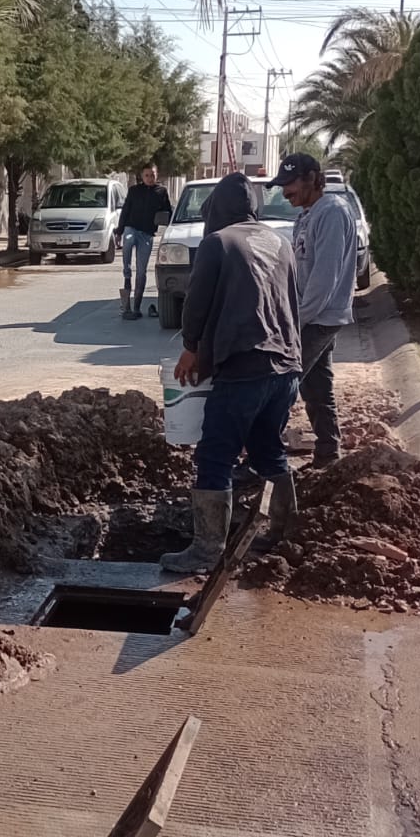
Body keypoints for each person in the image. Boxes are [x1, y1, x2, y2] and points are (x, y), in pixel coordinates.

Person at [160, 172, 302, 574]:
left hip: (244, 367)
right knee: (268, 450)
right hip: (287, 367)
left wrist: (191, 349)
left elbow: (197, 304)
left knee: (215, 455)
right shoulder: (281, 243)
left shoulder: (217, 243)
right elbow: (291, 301)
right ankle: (282, 532)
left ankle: (206, 551)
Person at [272, 152, 358, 466]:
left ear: (311, 179)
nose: (285, 192)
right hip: (312, 317)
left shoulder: (332, 213)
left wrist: (296, 321)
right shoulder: (307, 215)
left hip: (319, 319)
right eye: (282, 185)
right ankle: (328, 453)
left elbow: (325, 278)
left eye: (290, 184)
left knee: (281, 383)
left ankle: (263, 459)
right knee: (317, 387)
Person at [116, 164, 172, 320]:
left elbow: (168, 211)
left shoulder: (161, 192)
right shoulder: (134, 191)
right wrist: (119, 231)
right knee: (127, 244)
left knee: (141, 272)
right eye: (147, 175)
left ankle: (136, 307)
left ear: (157, 175)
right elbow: (126, 210)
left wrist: (170, 226)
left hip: (147, 234)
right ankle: (126, 281)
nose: (149, 178)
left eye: (152, 175)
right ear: (142, 176)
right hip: (131, 229)